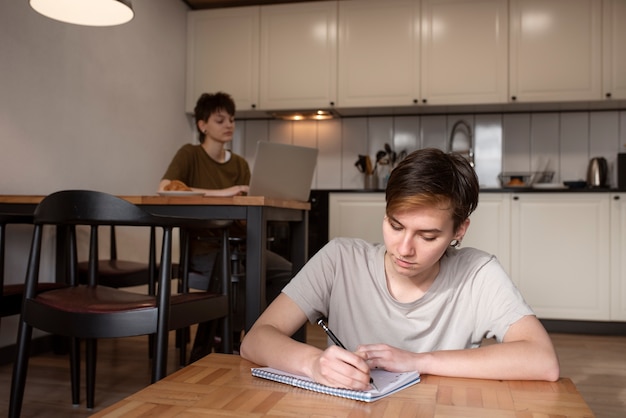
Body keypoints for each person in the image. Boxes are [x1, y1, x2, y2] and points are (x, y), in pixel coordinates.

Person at [240, 147, 560, 390]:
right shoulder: (340, 259)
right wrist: (313, 364)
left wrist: (419, 361)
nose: (404, 249)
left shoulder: (477, 273)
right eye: (396, 226)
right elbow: (255, 340)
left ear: (459, 230)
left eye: (428, 235)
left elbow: (542, 361)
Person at [159, 92, 292, 356]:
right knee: (241, 268)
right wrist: (224, 193)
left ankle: (261, 335)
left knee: (289, 271)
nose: (229, 124)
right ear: (202, 125)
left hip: (240, 244)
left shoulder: (240, 164)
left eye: (231, 119)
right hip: (201, 251)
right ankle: (229, 338)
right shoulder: (190, 154)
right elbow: (164, 188)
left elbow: (248, 208)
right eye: (220, 120)